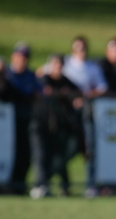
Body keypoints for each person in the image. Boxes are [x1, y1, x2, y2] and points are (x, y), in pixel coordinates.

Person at [29, 54, 83, 198]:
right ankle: (41, 185)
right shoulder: (43, 79)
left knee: (60, 157)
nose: (58, 68)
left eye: (60, 65)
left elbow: (77, 94)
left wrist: (71, 96)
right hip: (40, 124)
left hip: (58, 127)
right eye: (55, 64)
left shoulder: (66, 81)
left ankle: (64, 187)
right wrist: (64, 94)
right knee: (41, 156)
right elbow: (46, 91)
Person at [63, 36, 108, 198]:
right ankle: (64, 185)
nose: (81, 51)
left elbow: (102, 87)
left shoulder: (92, 67)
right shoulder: (66, 64)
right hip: (65, 114)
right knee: (66, 148)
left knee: (90, 148)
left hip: (87, 112)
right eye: (78, 48)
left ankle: (91, 184)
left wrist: (87, 95)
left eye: (83, 48)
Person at [6, 42, 42, 194]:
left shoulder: (31, 76)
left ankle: (19, 185)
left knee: (24, 154)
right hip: (6, 122)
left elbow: (39, 94)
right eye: (20, 56)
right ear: (13, 57)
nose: (22, 60)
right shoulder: (6, 74)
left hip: (26, 119)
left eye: (25, 57)